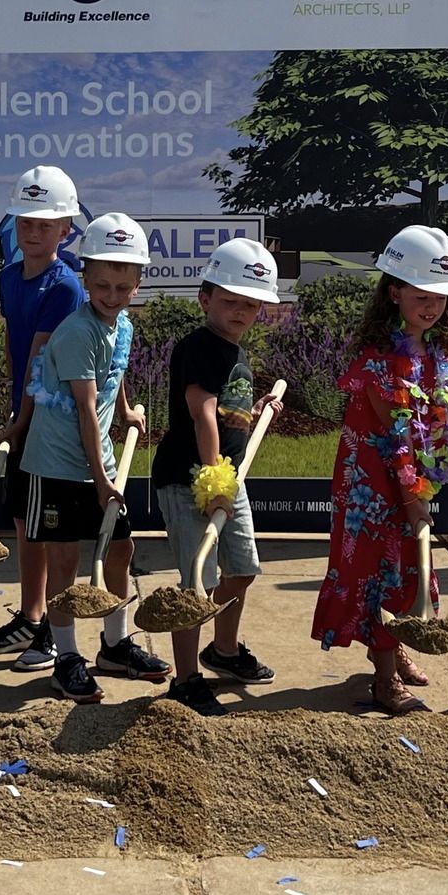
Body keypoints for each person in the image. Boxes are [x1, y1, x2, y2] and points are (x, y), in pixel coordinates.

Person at [311, 226, 448, 716]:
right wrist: (412, 497)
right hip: (372, 486)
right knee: (378, 572)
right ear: (394, 292)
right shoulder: (378, 361)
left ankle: (393, 645)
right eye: (421, 296)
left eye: (441, 298)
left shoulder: (433, 353)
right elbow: (394, 437)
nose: (432, 306)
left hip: (407, 480)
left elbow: (426, 415)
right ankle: (383, 681)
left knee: (404, 564)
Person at [21, 212, 170, 704]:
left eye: (122, 286)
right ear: (85, 278)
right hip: (58, 465)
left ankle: (114, 645)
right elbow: (85, 408)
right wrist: (103, 479)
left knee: (120, 549)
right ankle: (66, 658)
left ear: (137, 283)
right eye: (102, 285)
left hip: (97, 459)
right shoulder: (79, 331)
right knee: (64, 560)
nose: (111, 295)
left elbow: (115, 374)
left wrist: (126, 410)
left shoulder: (119, 323)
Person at [152, 238, 283, 717]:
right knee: (195, 585)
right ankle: (185, 680)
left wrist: (257, 408)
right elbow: (202, 414)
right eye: (230, 301)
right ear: (205, 298)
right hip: (192, 478)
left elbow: (227, 411)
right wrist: (213, 485)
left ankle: (223, 651)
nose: (240, 311)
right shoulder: (199, 348)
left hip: (227, 477)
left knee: (243, 569)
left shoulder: (233, 351)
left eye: (251, 304)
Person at [0, 166, 85, 674]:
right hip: (25, 414)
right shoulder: (6, 276)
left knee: (44, 525)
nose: (35, 231)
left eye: (47, 223)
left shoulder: (64, 288)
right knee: (24, 521)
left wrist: (22, 422)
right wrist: (12, 407)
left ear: (66, 228)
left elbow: (44, 362)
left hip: (52, 422)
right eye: (26, 221)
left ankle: (47, 629)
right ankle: (30, 613)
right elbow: (14, 348)